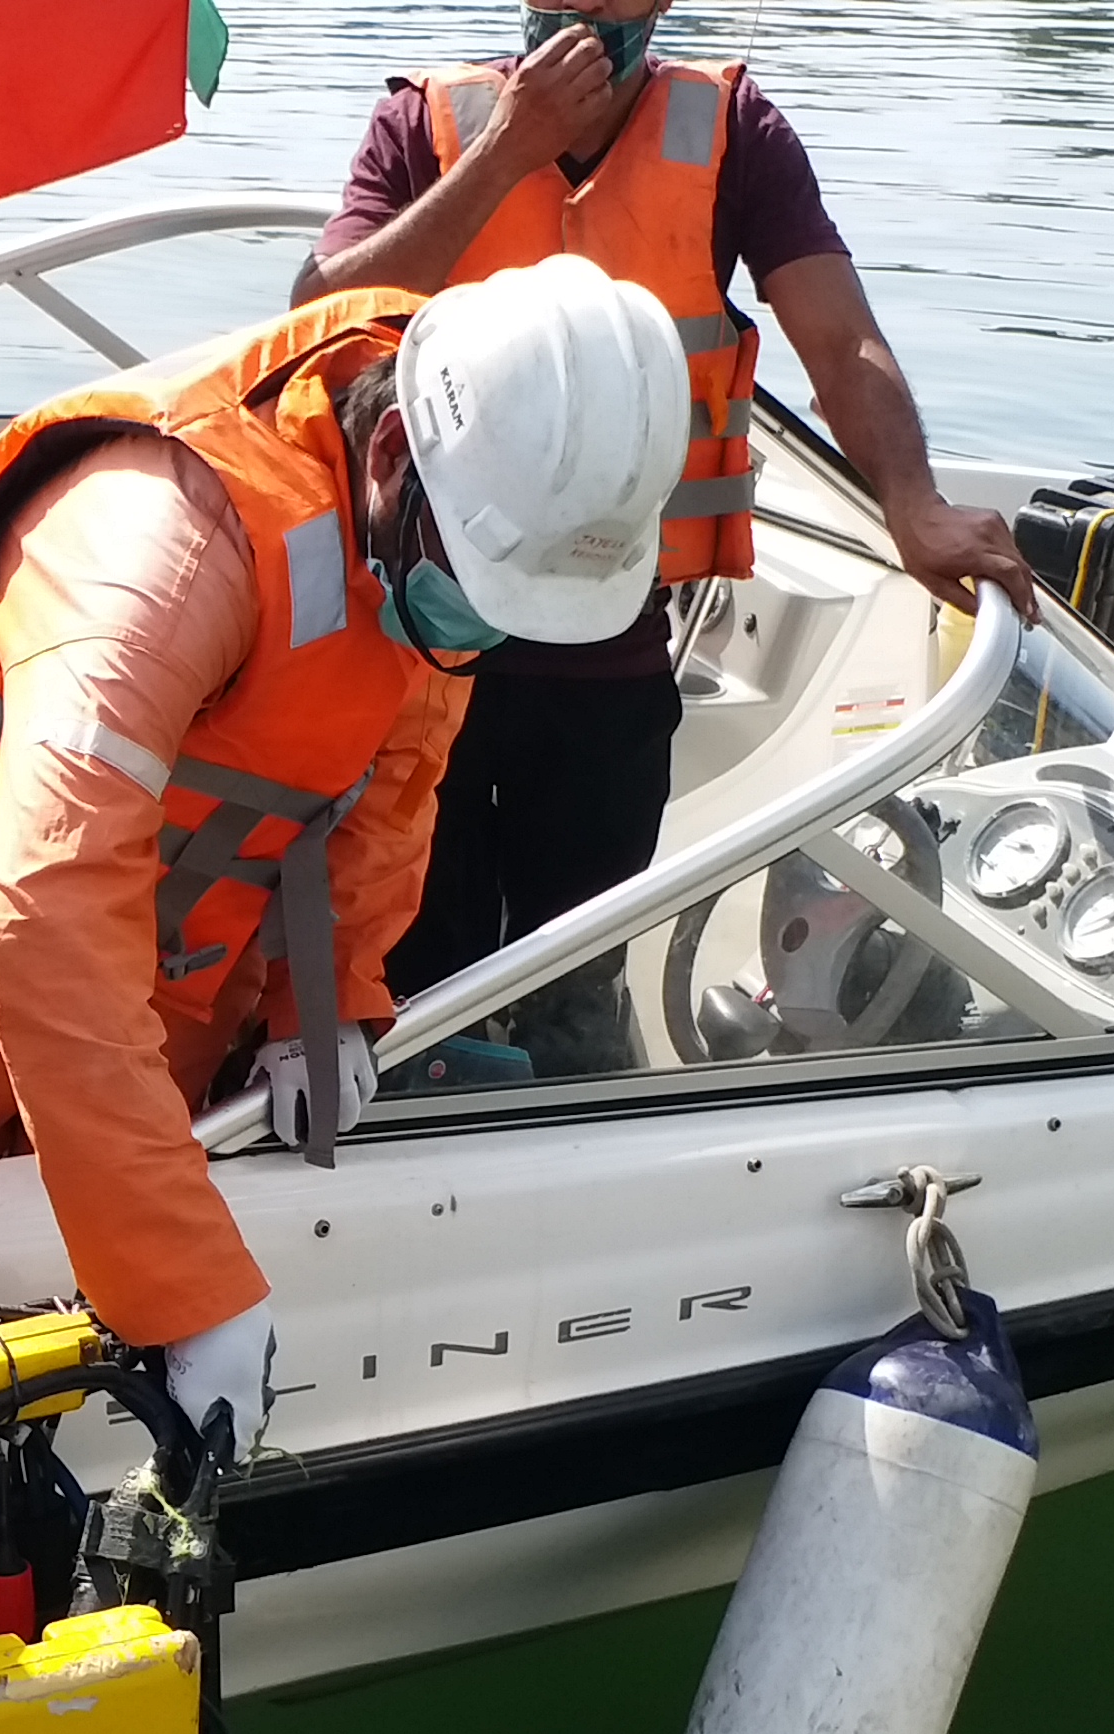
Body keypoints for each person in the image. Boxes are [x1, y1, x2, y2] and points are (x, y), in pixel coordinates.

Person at [0, 260, 685, 1463]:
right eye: (479, 590)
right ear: (387, 460)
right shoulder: (162, 541)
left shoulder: (443, 527)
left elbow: (395, 776)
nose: (483, 628)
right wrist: (188, 1285)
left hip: (169, 982)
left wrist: (330, 999)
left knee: (104, 1335)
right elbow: (45, 916)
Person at [295, 4, 1039, 1018]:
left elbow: (840, 338)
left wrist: (913, 502)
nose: (596, 12)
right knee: (414, 962)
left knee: (577, 968)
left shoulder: (737, 133)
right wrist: (509, 148)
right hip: (423, 641)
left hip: (611, 632)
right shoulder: (421, 128)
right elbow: (316, 317)